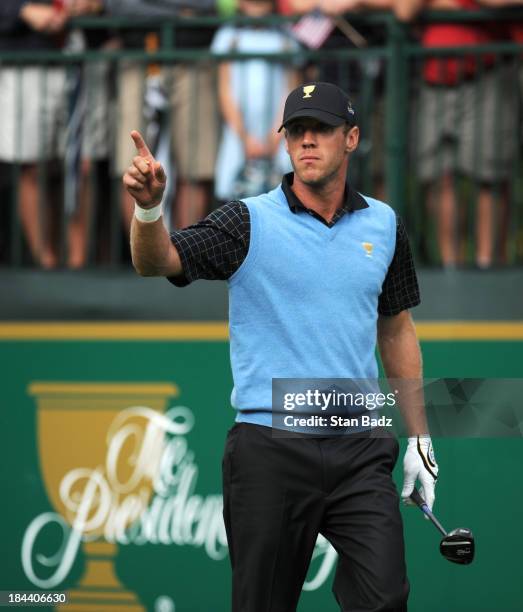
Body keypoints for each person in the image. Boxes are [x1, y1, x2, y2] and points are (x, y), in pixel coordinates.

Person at [125, 82, 439, 612]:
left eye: (321, 130)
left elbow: (396, 328)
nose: (307, 142)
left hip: (359, 447)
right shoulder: (245, 221)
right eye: (297, 132)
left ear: (352, 138)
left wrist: (420, 440)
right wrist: (151, 209)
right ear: (286, 143)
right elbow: (157, 262)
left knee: (386, 600)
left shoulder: (385, 225)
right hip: (269, 450)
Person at [395, 0, 519, 268]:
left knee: (489, 176)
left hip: (488, 72)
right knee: (437, 176)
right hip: (434, 77)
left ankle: (489, 268)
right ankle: (452, 267)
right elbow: (404, 9)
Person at [0, 0, 68, 268]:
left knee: (73, 167)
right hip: (20, 61)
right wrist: (20, 9)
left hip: (71, 58)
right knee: (31, 166)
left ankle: (72, 263)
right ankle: (46, 263)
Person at [211, 0, 299, 201]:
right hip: (238, 134)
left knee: (284, 192)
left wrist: (277, 133)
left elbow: (292, 88)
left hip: (279, 132)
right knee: (234, 193)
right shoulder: (228, 35)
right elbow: (225, 91)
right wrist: (245, 137)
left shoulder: (286, 35)